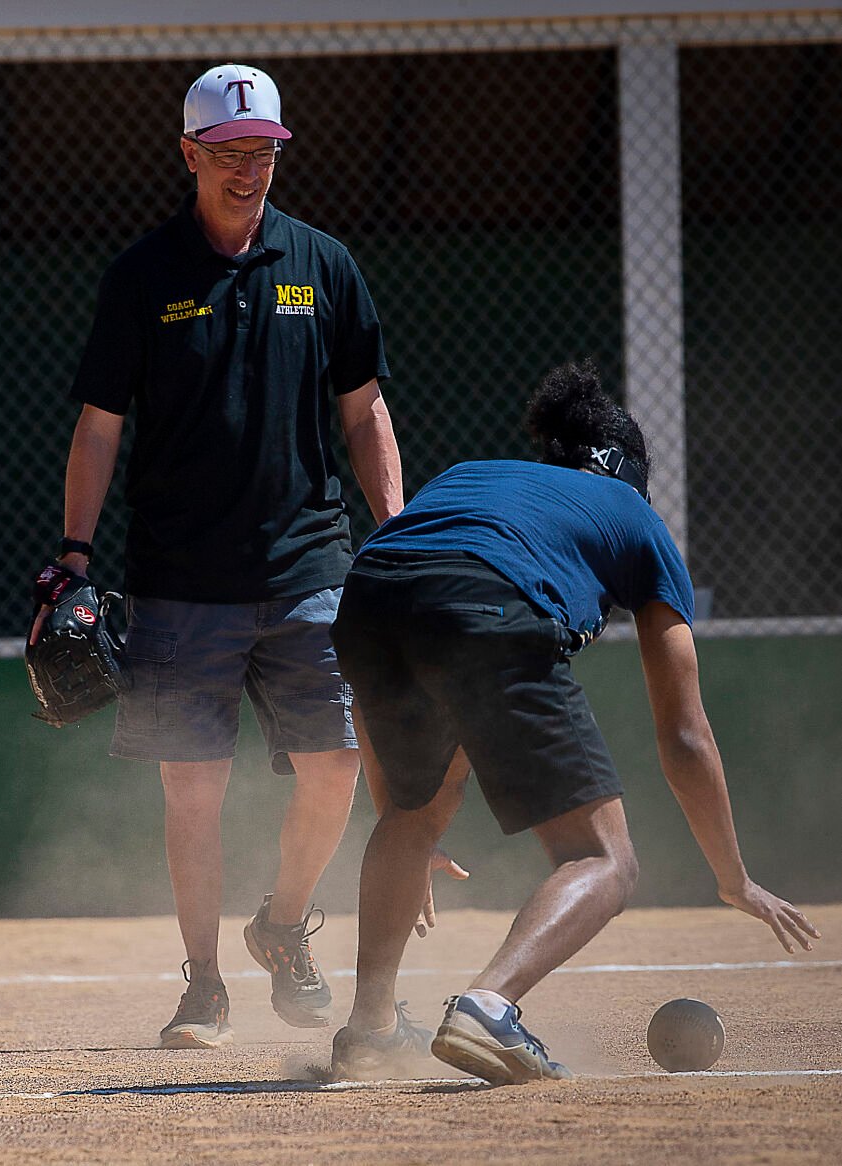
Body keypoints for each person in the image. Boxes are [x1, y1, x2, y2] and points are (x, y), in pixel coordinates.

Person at [33, 64, 403, 1048]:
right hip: (177, 576)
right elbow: (99, 424)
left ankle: (281, 925)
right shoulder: (144, 277)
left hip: (308, 565)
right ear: (190, 154)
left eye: (265, 151)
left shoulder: (322, 265)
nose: (250, 169)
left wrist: (393, 529)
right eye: (231, 152)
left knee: (335, 761)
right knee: (192, 787)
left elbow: (363, 407)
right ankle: (202, 983)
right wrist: (74, 555)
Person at [327, 360, 820, 1084]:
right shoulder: (634, 518)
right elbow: (684, 737)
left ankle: (368, 1027)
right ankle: (487, 1009)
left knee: (416, 812)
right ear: (630, 475)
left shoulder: (471, 476)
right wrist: (732, 877)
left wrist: (404, 810)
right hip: (488, 604)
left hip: (365, 600)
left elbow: (384, 671)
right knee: (602, 860)